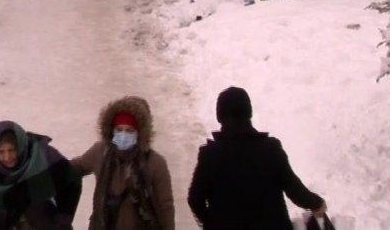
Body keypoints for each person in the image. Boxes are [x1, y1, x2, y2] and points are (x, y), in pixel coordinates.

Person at [188, 87, 328, 230]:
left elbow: (194, 199)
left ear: (220, 116)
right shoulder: (270, 149)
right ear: (249, 113)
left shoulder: (211, 154)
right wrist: (316, 203)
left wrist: (211, 223)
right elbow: (294, 190)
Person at [72, 96, 175, 230]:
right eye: (119, 129)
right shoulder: (100, 153)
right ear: (111, 130)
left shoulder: (155, 163)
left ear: (140, 133)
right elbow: (74, 167)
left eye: (129, 130)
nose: (123, 135)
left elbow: (165, 206)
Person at [0, 121, 83, 230]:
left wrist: (63, 219)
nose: (7, 157)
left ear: (20, 146)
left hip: (44, 220)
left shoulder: (43, 156)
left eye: (12, 150)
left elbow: (71, 180)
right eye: (1, 152)